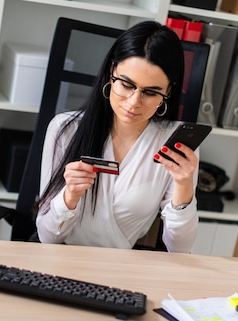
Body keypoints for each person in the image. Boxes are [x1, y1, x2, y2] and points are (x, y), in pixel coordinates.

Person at [35, 20, 199, 252]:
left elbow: (180, 249)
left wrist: (183, 185)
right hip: (61, 260)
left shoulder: (174, 144)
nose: (134, 103)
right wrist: (69, 195)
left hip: (121, 268)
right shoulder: (65, 129)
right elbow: (46, 237)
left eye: (151, 92)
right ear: (111, 72)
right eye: (126, 84)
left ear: (169, 91)